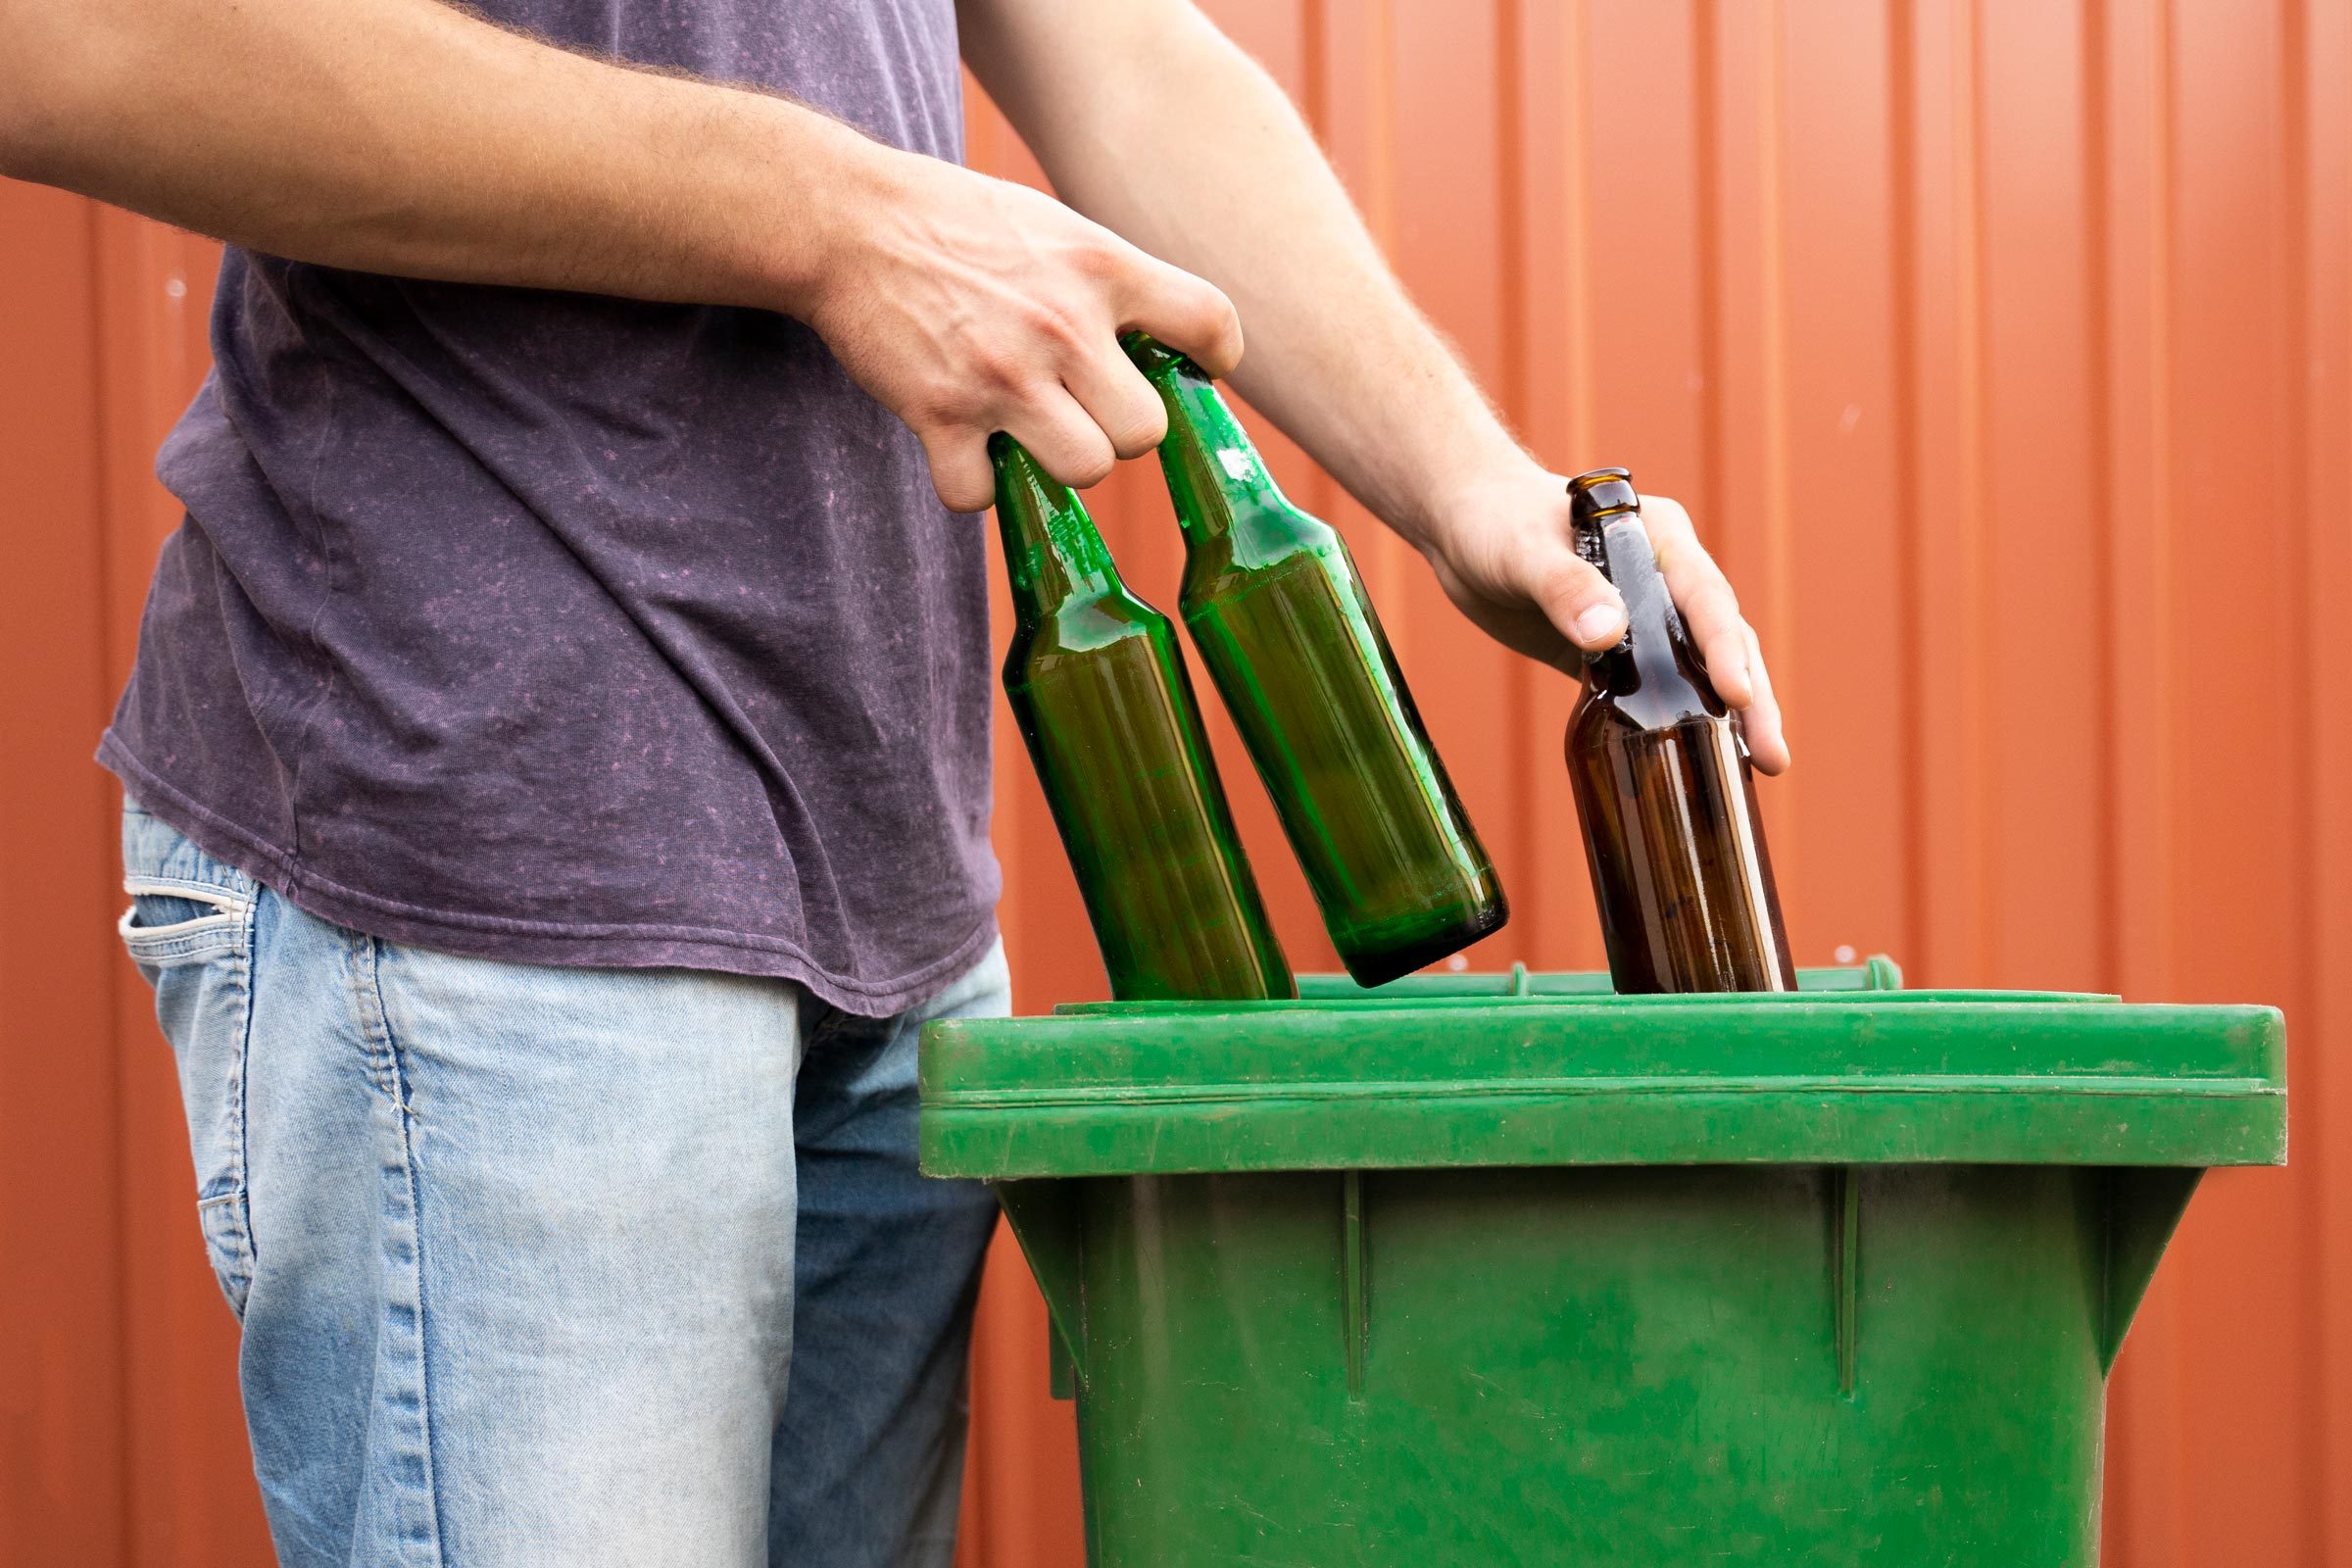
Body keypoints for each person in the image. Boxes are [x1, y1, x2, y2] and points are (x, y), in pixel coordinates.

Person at [0, 0, 1788, 1562]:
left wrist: (1472, 486)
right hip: (497, 856)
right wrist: (837, 215)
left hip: (885, 891)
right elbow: (64, 40)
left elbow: (1121, 48)